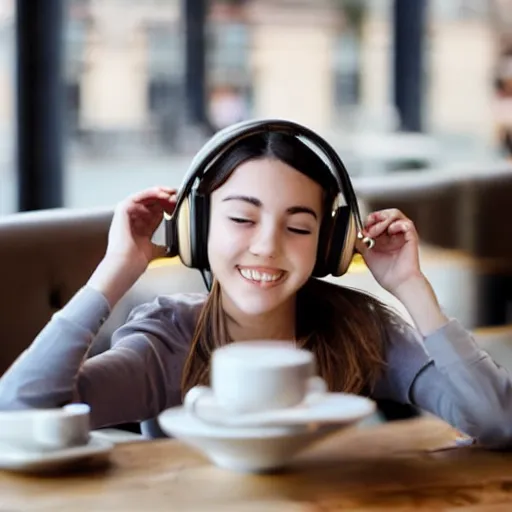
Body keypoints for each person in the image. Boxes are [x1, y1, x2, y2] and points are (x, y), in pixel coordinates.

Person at [0, 121, 511, 447]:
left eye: (298, 227)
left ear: (329, 244)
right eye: (242, 220)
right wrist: (115, 273)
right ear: (196, 230)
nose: (267, 246)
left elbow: (496, 422)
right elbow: (18, 412)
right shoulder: (167, 344)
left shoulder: (360, 331)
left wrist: (412, 288)